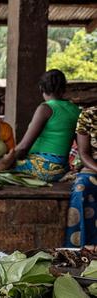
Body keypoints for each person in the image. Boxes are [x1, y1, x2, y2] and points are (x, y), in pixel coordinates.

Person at [3, 69, 81, 182]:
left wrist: (4, 161)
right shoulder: (76, 110)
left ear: (41, 88)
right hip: (62, 169)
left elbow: (23, 147)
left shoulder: (45, 108)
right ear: (64, 89)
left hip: (42, 169)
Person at [65, 106, 97, 247]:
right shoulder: (89, 115)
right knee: (81, 188)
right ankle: (80, 249)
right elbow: (84, 154)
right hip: (93, 166)